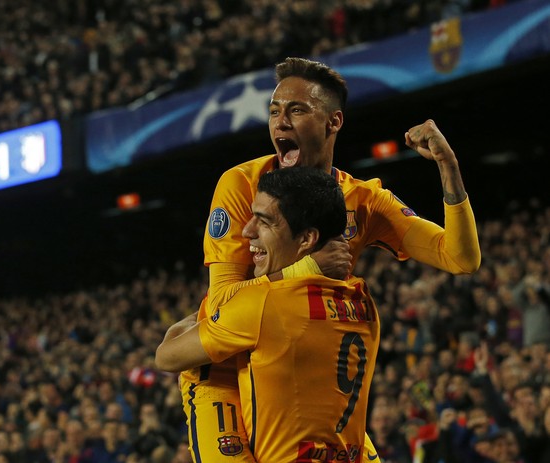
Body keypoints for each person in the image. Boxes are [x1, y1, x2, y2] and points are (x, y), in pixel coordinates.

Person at [173, 56, 481, 462]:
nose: (280, 122)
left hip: (308, 382)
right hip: (229, 372)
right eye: (274, 111)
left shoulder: (363, 201)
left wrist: (448, 168)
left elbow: (460, 258)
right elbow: (224, 304)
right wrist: (306, 268)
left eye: (297, 110)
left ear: (333, 123)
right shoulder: (243, 185)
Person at [156, 166, 381, 462]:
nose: (247, 230)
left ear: (306, 239)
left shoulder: (262, 304)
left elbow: (167, 355)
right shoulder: (363, 299)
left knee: (198, 374)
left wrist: (289, 274)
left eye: (264, 221)